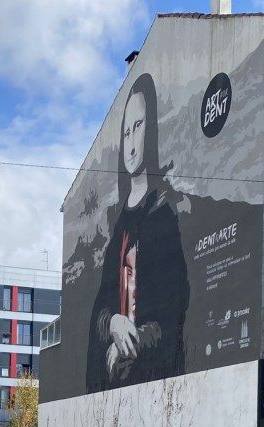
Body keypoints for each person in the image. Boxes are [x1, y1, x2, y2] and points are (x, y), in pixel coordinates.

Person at [86, 72, 190, 392]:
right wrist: (112, 322)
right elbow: (100, 307)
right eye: (126, 130)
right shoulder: (119, 226)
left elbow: (171, 312)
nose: (131, 140)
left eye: (139, 127)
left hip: (150, 378)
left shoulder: (163, 216)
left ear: (152, 130)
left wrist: (129, 342)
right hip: (111, 379)